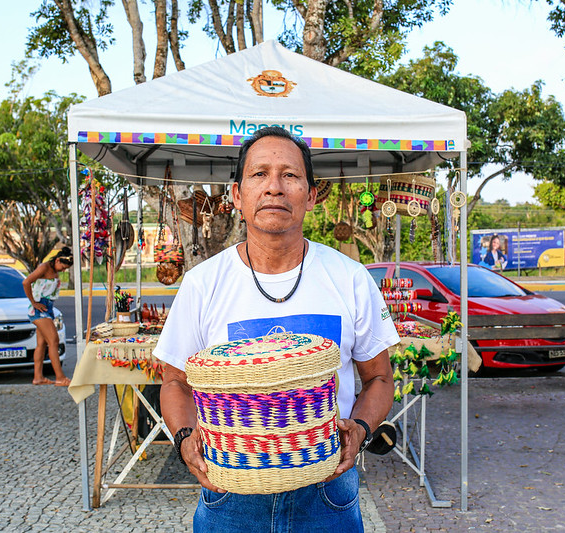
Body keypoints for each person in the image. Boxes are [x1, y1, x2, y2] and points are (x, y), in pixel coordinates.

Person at [154, 126, 399, 532]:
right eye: (259, 174)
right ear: (237, 195)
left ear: (311, 194)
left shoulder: (351, 278)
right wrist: (184, 439)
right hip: (230, 492)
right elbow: (175, 381)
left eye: (289, 175)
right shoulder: (203, 282)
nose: (274, 188)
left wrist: (360, 429)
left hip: (327, 491)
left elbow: (379, 378)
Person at [23, 246, 73, 386]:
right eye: (62, 267)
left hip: (48, 307)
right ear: (57, 260)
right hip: (40, 308)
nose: (63, 270)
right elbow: (26, 282)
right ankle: (60, 377)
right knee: (54, 341)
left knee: (42, 343)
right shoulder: (44, 267)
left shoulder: (53, 269)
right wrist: (33, 302)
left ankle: (38, 377)